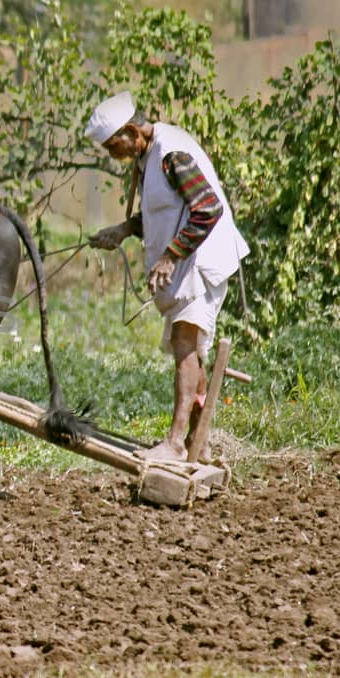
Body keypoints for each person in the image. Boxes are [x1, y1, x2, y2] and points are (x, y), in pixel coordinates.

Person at [84, 91, 249, 463]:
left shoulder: (171, 152)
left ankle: (175, 445)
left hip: (201, 263)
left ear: (131, 130)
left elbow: (207, 208)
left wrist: (170, 257)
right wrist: (124, 229)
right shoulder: (147, 157)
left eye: (114, 145)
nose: (113, 153)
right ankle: (198, 444)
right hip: (188, 263)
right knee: (190, 349)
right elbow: (166, 212)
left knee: (184, 344)